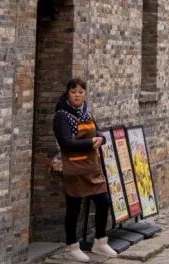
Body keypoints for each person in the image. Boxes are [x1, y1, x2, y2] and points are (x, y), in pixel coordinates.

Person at [53, 78, 115, 262]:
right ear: (67, 93)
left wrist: (101, 139)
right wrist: (90, 143)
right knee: (74, 207)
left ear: (85, 94)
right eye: (73, 92)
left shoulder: (87, 112)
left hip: (90, 166)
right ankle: (71, 246)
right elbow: (66, 142)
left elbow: (98, 132)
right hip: (73, 167)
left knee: (104, 202)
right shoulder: (61, 116)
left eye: (81, 92)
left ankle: (100, 242)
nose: (77, 95)